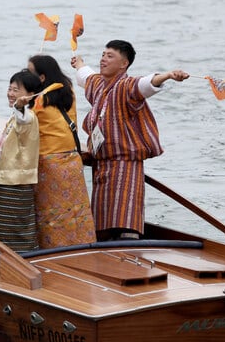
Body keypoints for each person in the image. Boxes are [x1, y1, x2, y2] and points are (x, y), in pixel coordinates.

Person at [71, 40, 189, 240]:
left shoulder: (127, 86)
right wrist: (79, 63)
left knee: (125, 224)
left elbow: (147, 84)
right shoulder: (98, 84)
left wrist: (168, 75)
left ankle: (129, 254)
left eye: (110, 56)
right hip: (101, 165)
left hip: (125, 166)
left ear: (123, 64)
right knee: (101, 226)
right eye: (103, 54)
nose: (103, 59)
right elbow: (85, 75)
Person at [27, 55, 96, 248]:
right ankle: (83, 246)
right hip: (72, 160)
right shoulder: (68, 91)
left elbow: (25, 125)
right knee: (76, 211)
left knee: (51, 214)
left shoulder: (38, 101)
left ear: (41, 78)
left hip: (50, 164)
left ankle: (54, 251)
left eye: (29, 72)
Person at [0, 69, 43, 252]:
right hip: (8, 180)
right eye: (9, 89)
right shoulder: (15, 116)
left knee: (17, 229)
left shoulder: (27, 116)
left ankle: (23, 262)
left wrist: (19, 107)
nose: (10, 94)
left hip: (16, 183)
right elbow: (10, 148)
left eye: (16, 90)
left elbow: (23, 119)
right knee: (6, 229)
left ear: (30, 95)